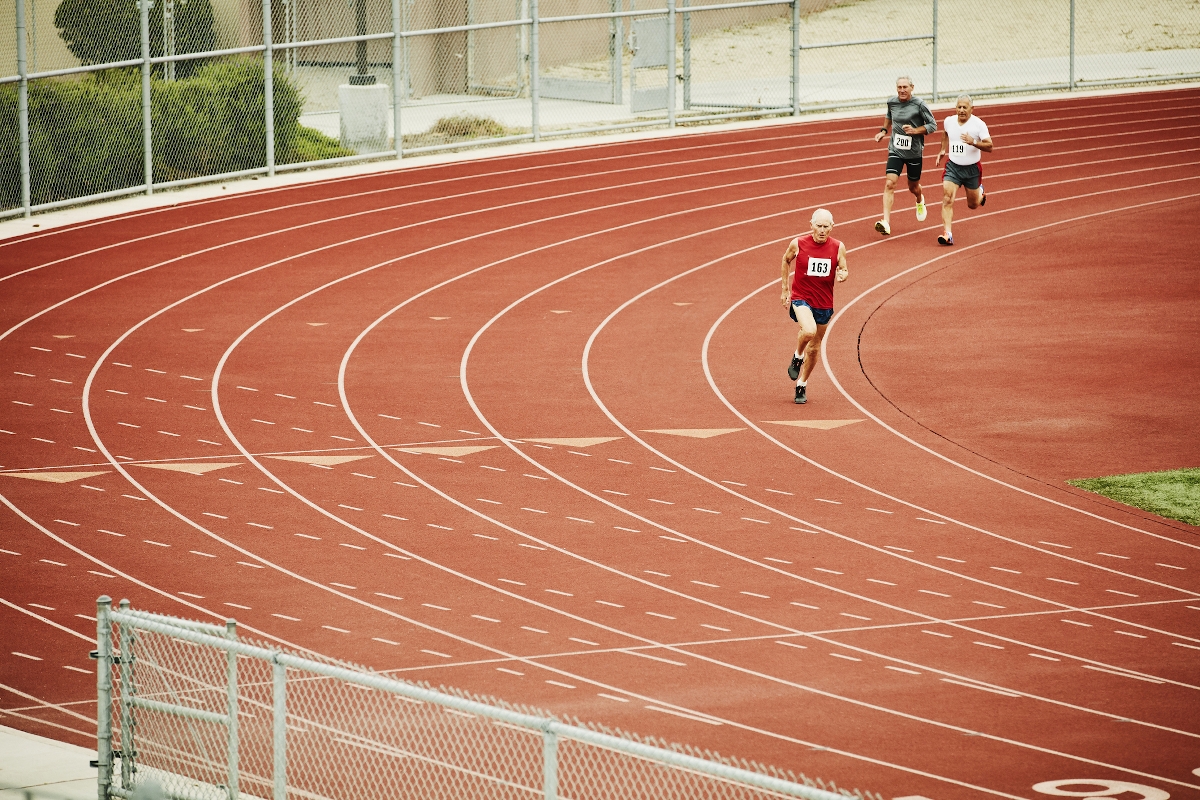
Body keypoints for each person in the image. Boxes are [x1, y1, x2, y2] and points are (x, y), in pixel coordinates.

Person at [780, 208, 848, 405]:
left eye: (826, 227)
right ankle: (797, 355)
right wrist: (785, 289)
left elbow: (844, 268)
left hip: (824, 304)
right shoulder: (798, 243)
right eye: (818, 226)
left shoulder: (838, 247)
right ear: (811, 225)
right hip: (801, 298)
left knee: (815, 348)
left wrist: (843, 274)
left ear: (832, 227)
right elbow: (785, 260)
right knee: (808, 331)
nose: (822, 230)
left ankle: (802, 383)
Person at [872, 76, 937, 236]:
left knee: (913, 187)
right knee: (889, 183)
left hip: (914, 152)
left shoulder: (919, 105)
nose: (902, 90)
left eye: (905, 87)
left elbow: (932, 125)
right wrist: (883, 131)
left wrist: (916, 131)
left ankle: (920, 199)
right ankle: (886, 222)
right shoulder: (892, 102)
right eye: (899, 87)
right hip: (896, 150)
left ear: (912, 88)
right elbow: (889, 117)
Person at [934, 94, 993, 246]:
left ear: (971, 109)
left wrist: (973, 142)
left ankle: (980, 192)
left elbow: (990, 146)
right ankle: (948, 234)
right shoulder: (949, 121)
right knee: (947, 198)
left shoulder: (979, 125)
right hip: (953, 167)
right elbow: (945, 133)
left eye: (964, 107)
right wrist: (942, 150)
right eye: (958, 107)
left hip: (972, 169)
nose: (961, 110)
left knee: (973, 205)